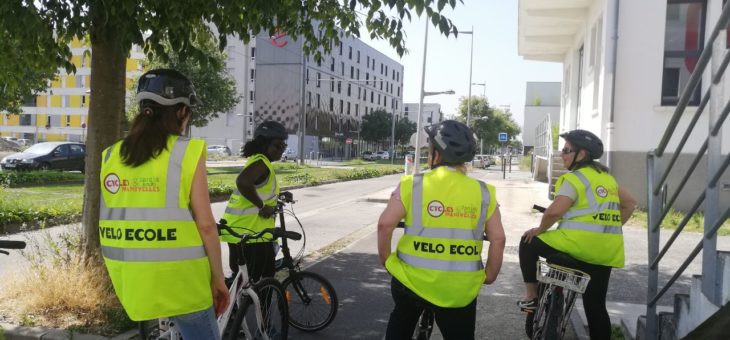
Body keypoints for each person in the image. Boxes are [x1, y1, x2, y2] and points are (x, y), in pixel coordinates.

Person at [99, 69, 228, 339]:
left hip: (132, 281)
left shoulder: (110, 155)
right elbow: (205, 225)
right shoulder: (187, 151)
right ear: (182, 112)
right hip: (182, 282)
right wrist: (218, 279)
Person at [377, 120, 506, 340]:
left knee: (401, 322)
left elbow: (385, 225)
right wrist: (490, 275)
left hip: (411, 282)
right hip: (458, 288)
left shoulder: (411, 184)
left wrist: (387, 260)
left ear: (436, 155)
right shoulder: (484, 192)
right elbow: (499, 239)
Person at [518, 129, 636, 339]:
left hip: (577, 248)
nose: (562, 154)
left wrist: (539, 229)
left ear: (581, 155)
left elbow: (554, 212)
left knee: (528, 242)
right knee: (596, 307)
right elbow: (629, 204)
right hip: (605, 253)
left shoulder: (574, 179)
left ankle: (531, 296)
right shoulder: (607, 179)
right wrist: (608, 229)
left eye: (566, 150)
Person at [220, 120, 288, 282]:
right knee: (262, 281)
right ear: (264, 144)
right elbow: (243, 182)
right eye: (278, 146)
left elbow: (259, 189)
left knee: (243, 282)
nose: (281, 150)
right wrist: (263, 207)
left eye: (283, 147)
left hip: (243, 232)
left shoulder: (259, 162)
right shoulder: (261, 162)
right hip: (250, 234)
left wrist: (280, 196)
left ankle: (232, 306)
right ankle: (255, 308)